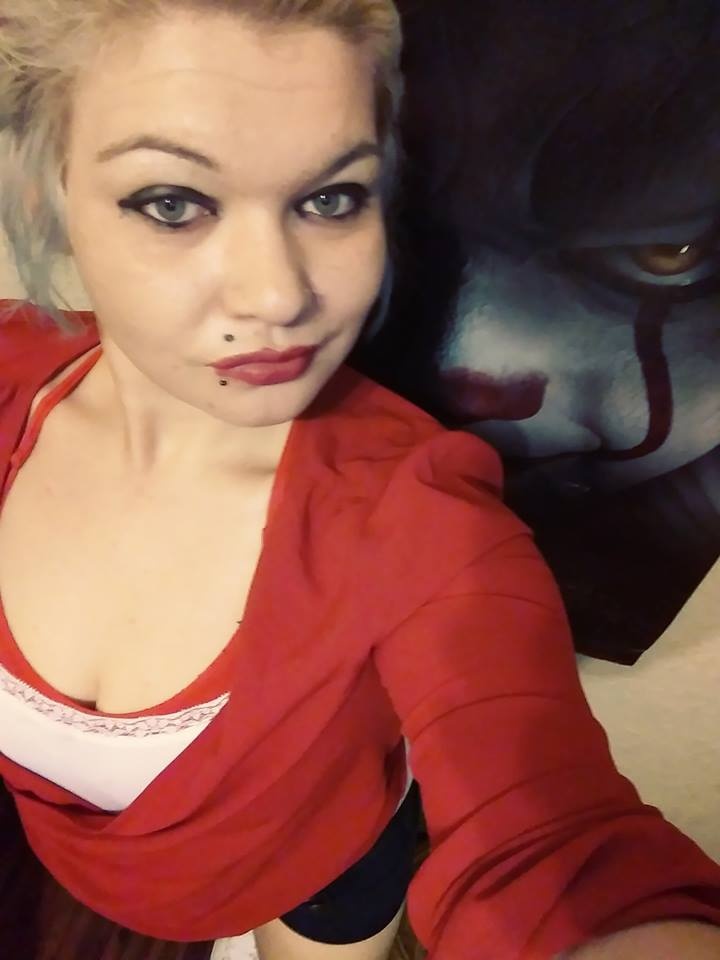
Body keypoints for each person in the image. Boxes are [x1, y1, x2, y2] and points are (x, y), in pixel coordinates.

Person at [0, 3, 719, 959]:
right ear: (48, 191)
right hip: (67, 867)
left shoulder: (425, 519)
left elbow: (548, 846)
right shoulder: (11, 370)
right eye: (173, 202)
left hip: (319, 877)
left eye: (332, 199)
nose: (279, 294)